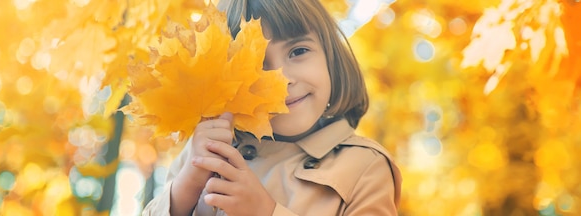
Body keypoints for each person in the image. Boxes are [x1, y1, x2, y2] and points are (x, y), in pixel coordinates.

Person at [143, 0, 402, 215]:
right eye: (258, 66)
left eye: (298, 51)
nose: (283, 78)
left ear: (330, 58)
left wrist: (267, 212)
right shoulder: (207, 150)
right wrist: (185, 187)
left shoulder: (365, 167)